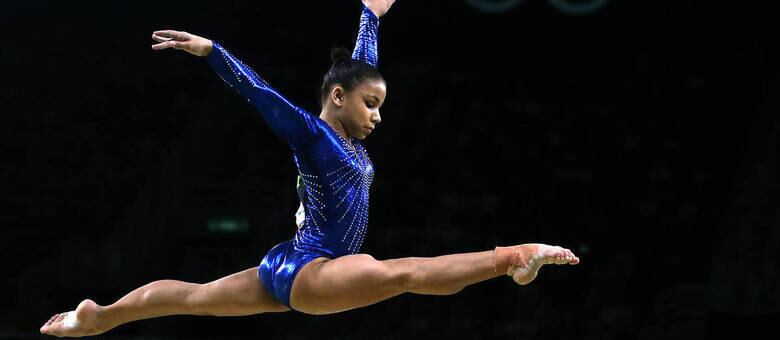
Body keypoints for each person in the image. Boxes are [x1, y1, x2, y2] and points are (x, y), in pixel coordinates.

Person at [40, 0, 579, 336]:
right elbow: (263, 95)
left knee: (196, 297)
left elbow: (361, 68)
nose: (378, 116)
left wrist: (370, 15)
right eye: (371, 105)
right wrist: (214, 52)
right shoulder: (315, 136)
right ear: (338, 97)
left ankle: (100, 316)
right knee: (403, 273)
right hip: (314, 269)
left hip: (290, 264)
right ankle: (512, 256)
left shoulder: (340, 122)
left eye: (382, 106)